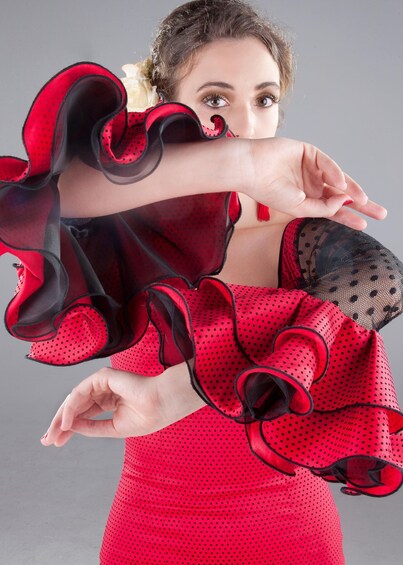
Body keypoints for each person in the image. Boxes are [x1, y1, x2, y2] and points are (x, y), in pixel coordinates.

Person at [0, 1, 402, 564]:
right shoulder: (119, 220)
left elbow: (383, 282)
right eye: (216, 99)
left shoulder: (301, 236)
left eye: (264, 99)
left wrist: (176, 393)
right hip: (148, 532)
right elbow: (23, 202)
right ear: (162, 107)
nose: (247, 124)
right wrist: (237, 164)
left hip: (290, 536)